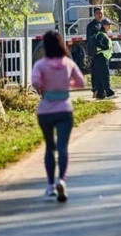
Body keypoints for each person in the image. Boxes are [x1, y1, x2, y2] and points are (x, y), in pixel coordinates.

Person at [31, 31, 85, 202]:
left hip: (45, 111)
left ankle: (50, 185)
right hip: (64, 110)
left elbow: (35, 83)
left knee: (49, 147)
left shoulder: (40, 65)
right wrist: (66, 83)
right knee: (62, 147)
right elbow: (81, 82)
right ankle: (62, 179)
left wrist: (45, 86)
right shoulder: (68, 63)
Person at [93, 18, 117, 100]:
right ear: (103, 26)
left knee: (100, 76)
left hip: (101, 57)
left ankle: (100, 94)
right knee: (105, 76)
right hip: (102, 57)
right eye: (108, 24)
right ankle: (109, 93)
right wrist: (105, 47)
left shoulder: (103, 34)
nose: (109, 26)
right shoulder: (101, 34)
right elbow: (98, 43)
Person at [86, 7, 103, 98]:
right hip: (94, 52)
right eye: (98, 14)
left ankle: (102, 89)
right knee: (95, 72)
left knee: (103, 72)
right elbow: (91, 39)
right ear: (94, 15)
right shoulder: (91, 26)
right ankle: (95, 90)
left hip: (103, 53)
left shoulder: (103, 24)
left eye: (101, 13)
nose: (100, 15)